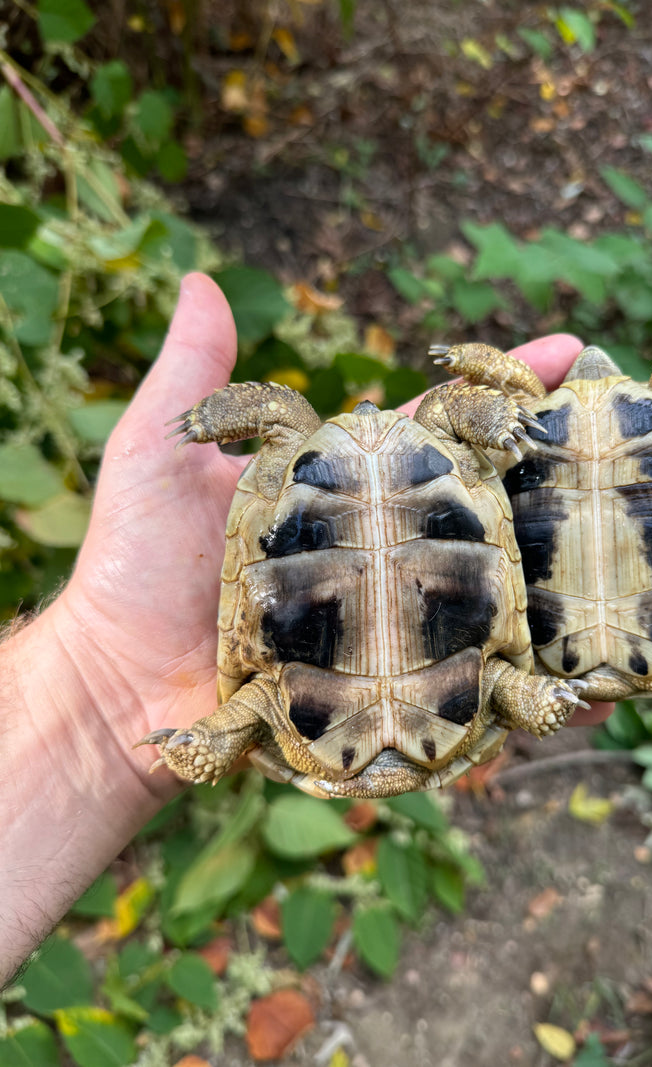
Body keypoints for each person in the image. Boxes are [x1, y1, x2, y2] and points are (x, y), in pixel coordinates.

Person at [0, 273, 612, 985]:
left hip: (369, 691)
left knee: (289, 417)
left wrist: (177, 730)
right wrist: (534, 699)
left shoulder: (298, 449)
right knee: (509, 679)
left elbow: (263, 700)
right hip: (432, 658)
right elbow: (504, 671)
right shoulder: (437, 433)